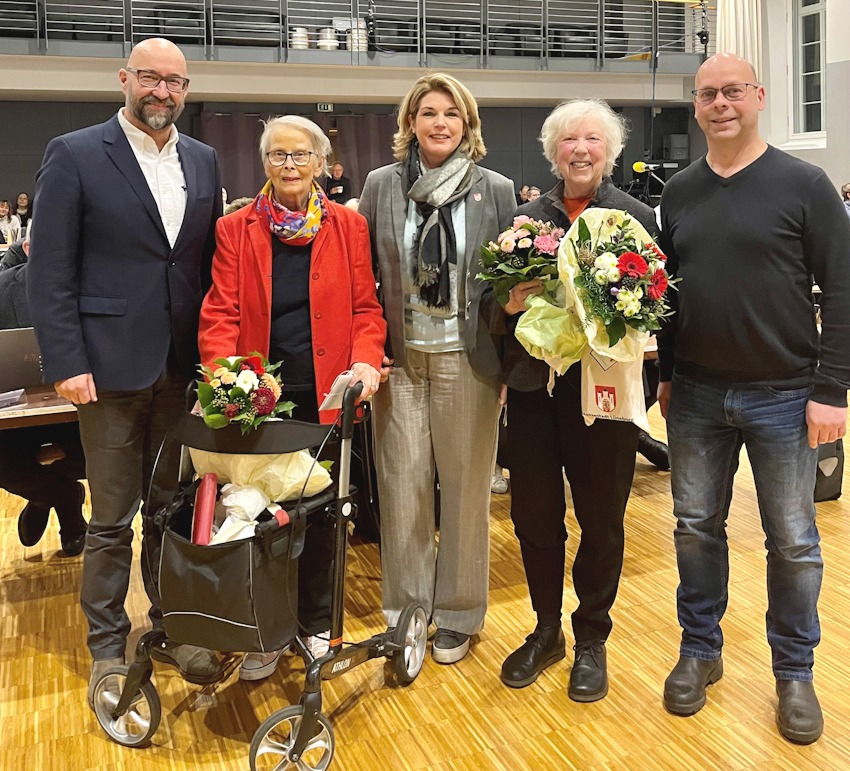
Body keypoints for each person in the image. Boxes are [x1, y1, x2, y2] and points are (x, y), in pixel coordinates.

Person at [656, 53, 850, 745]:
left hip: (786, 394)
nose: (720, 104)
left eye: (732, 91)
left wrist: (833, 390)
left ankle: (794, 672)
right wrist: (668, 375)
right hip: (699, 396)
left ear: (759, 96)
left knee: (794, 544)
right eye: (707, 94)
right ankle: (699, 651)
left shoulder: (805, 184)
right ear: (698, 105)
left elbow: (843, 289)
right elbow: (668, 296)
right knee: (693, 528)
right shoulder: (678, 192)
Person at [27, 37, 226, 707]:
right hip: (106, 370)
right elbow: (49, 269)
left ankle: (173, 624)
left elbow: (200, 267)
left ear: (186, 90)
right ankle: (108, 644)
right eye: (150, 77)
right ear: (124, 79)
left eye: (174, 81)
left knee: (172, 509)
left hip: (181, 368)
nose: (161, 91)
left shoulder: (203, 159)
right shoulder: (76, 152)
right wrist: (66, 360)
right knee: (112, 518)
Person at [198, 115, 386, 680]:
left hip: (328, 397)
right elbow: (221, 314)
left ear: (322, 164)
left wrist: (365, 362)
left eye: (300, 155)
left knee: (324, 515)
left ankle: (317, 625)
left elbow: (364, 311)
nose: (289, 166)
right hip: (263, 402)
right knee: (262, 515)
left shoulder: (349, 227)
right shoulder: (236, 229)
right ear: (264, 164)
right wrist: (227, 378)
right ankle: (266, 630)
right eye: (278, 156)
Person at [493, 98, 656, 701]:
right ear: (553, 151)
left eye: (592, 139)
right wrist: (508, 306)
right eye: (569, 140)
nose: (580, 149)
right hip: (535, 393)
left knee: (601, 517)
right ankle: (545, 629)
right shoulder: (524, 221)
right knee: (534, 516)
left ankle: (591, 636)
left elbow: (662, 305)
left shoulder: (635, 219)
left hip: (604, 393)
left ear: (609, 152)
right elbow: (493, 306)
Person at [359, 72, 516, 664]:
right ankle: (407, 614)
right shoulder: (380, 186)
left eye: (452, 113)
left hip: (468, 361)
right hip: (399, 363)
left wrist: (506, 368)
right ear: (410, 124)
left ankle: (457, 613)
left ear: (468, 125)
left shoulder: (495, 189)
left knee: (466, 492)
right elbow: (366, 277)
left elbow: (509, 285)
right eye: (428, 112)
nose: (440, 123)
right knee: (401, 493)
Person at [0, 227, 88, 557]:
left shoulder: (91, 289)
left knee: (95, 456)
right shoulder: (2, 291)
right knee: (4, 464)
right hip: (14, 412)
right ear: (27, 247)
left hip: (76, 409)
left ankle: (45, 497)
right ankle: (65, 500)